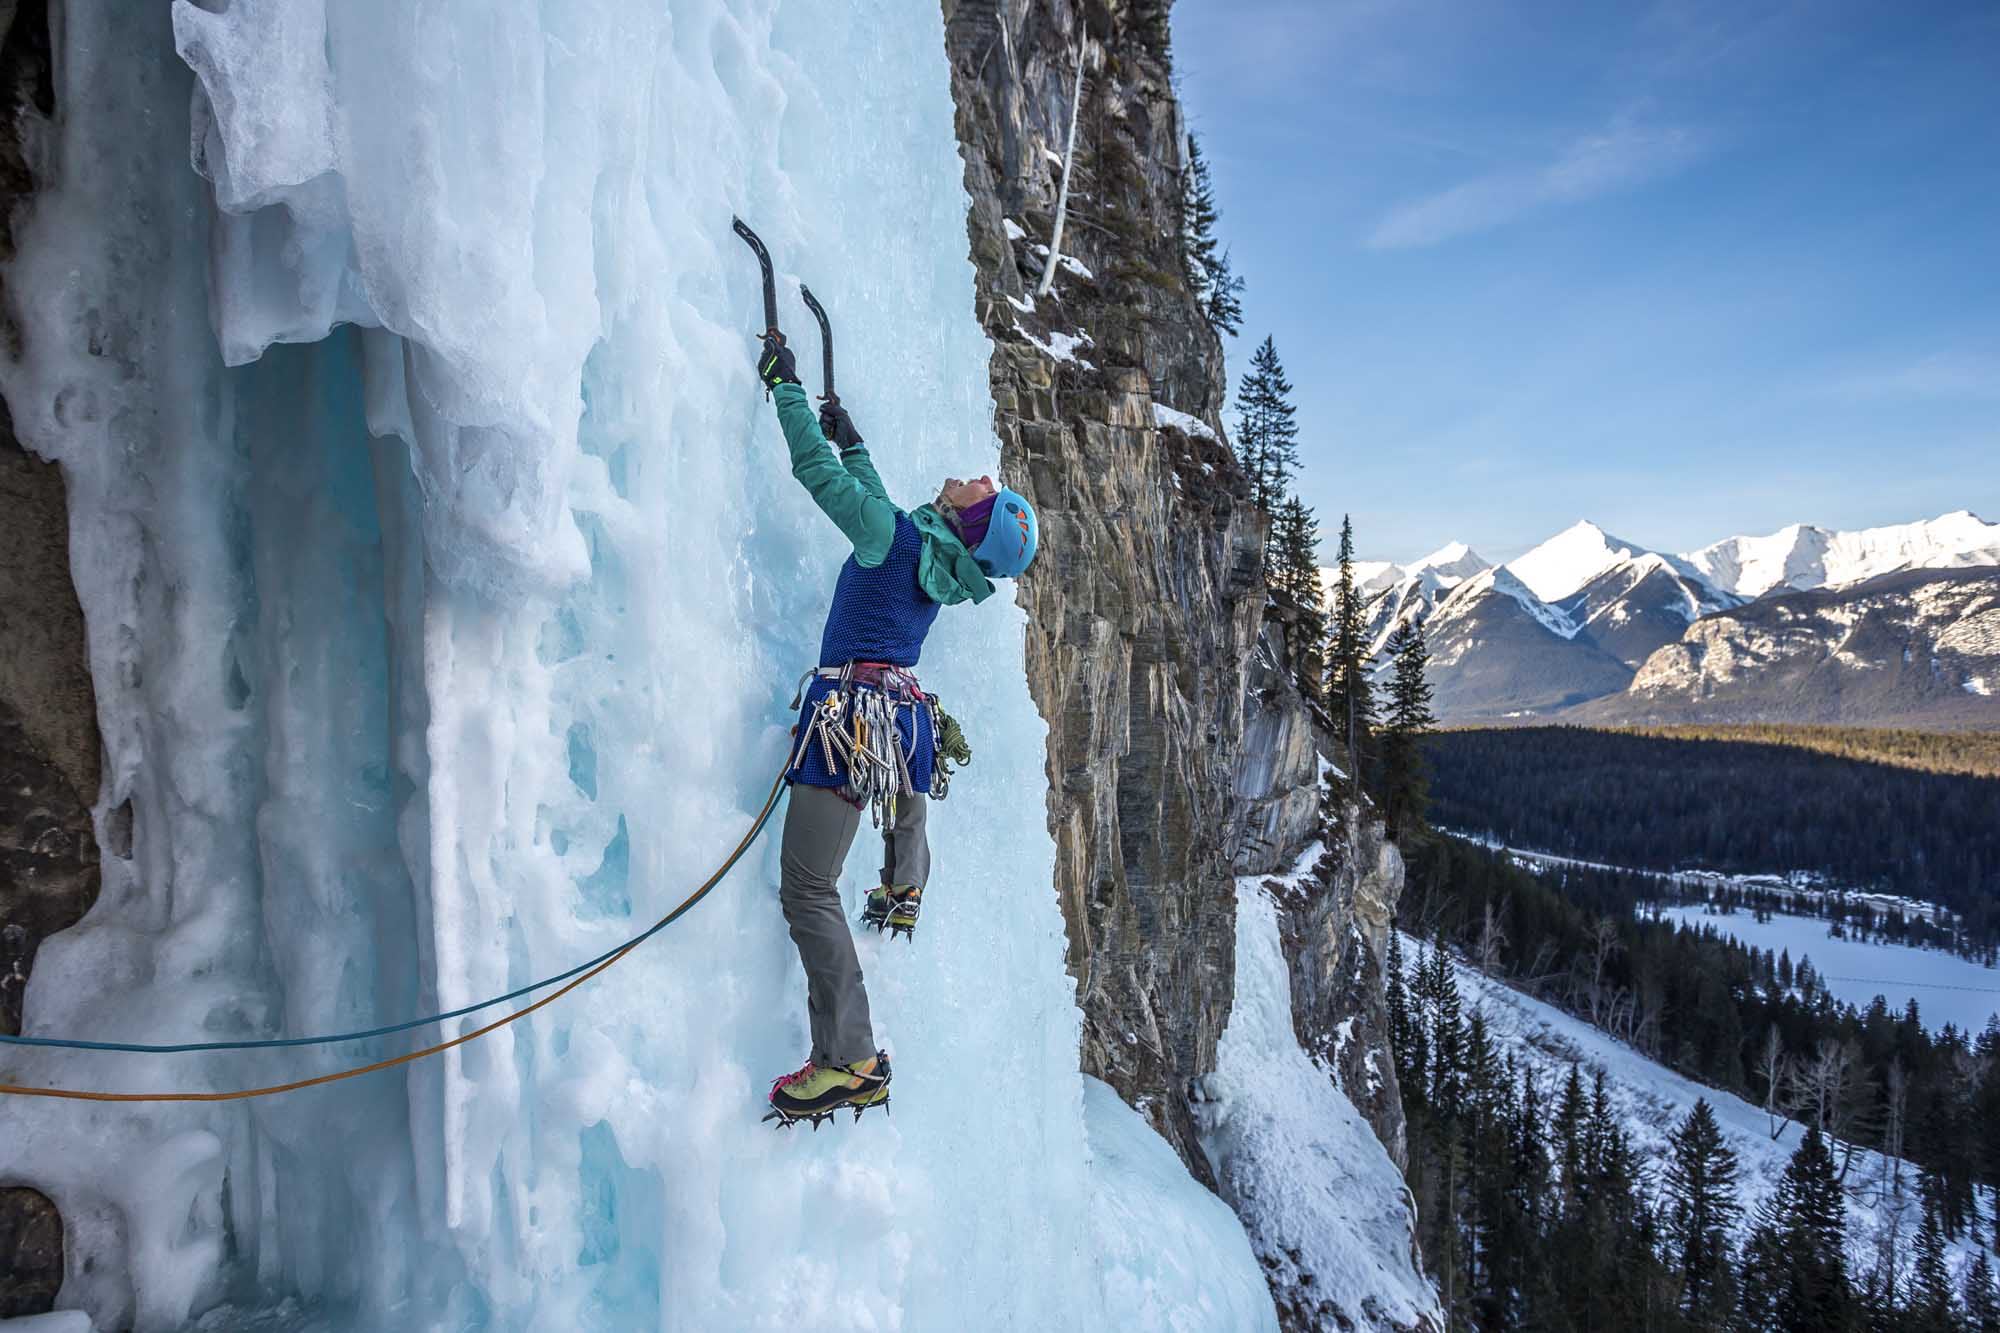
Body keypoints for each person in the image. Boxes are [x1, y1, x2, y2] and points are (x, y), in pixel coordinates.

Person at [754, 332, 1038, 1126]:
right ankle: (904, 886)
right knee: (896, 802)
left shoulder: (901, 540)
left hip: (848, 719)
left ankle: (850, 1058)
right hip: (890, 715)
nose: (980, 475)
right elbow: (884, 509)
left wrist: (787, 390)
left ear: (972, 516)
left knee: (809, 887)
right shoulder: (929, 554)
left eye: (987, 489)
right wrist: (857, 440)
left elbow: (824, 481)